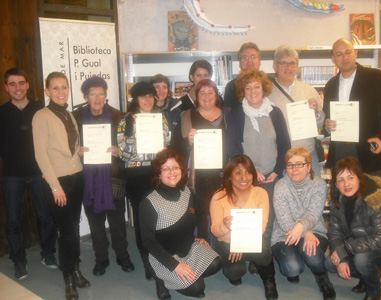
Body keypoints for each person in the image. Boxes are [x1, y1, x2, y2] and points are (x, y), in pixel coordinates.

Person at [226, 68, 290, 283]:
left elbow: (284, 145)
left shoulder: (275, 112)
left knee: (267, 222)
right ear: (242, 91)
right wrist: (252, 173)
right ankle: (251, 253)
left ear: (264, 88)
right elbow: (233, 147)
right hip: (247, 178)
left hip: (272, 177)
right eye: (248, 87)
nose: (252, 91)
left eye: (256, 86)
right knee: (248, 217)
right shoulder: (236, 114)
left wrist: (276, 171)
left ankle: (258, 257)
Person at [32, 72, 90, 300]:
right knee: (66, 232)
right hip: (59, 181)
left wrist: (79, 151)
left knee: (73, 227)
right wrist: (55, 187)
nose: (60, 92)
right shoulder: (41, 116)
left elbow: (67, 147)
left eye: (64, 87)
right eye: (55, 88)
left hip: (77, 176)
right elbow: (41, 155)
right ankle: (69, 277)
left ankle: (75, 268)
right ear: (47, 91)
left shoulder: (68, 114)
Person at [140, 149, 221, 300]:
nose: (171, 172)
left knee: (216, 263)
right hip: (163, 257)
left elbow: (201, 214)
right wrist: (175, 266)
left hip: (188, 249)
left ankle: (187, 277)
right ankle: (161, 281)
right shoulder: (149, 202)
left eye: (175, 167)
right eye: (165, 168)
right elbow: (148, 241)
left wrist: (202, 236)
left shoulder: (187, 192)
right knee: (197, 288)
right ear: (158, 173)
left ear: (181, 170)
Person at [73, 76, 134, 276]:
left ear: (106, 95)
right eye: (92, 94)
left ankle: (123, 256)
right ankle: (101, 259)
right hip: (88, 180)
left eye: (101, 94)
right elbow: (67, 146)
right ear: (85, 96)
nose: (97, 98)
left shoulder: (119, 116)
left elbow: (129, 145)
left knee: (117, 223)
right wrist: (77, 150)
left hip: (114, 177)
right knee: (96, 224)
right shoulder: (75, 117)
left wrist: (119, 150)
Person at [0, 68, 57, 280]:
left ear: (28, 85)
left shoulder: (40, 110)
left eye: (21, 83)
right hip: (12, 175)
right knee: (13, 220)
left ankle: (48, 253)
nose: (17, 88)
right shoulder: (2, 113)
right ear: (6, 88)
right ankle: (19, 260)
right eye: (12, 84)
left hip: (39, 173)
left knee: (46, 216)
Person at [325, 157, 381, 300]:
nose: (346, 184)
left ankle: (374, 293)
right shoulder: (337, 201)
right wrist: (342, 259)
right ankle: (367, 275)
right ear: (336, 184)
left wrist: (344, 250)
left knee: (362, 260)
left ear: (359, 179)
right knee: (330, 263)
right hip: (359, 244)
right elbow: (335, 232)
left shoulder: (375, 199)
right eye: (341, 180)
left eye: (350, 178)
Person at [323, 38, 381, 178]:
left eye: (348, 52)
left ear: (355, 53)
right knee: (343, 197)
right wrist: (327, 125)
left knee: (372, 198)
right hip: (341, 152)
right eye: (339, 54)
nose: (344, 57)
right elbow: (327, 119)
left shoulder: (376, 77)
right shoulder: (330, 85)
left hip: (370, 152)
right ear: (333, 58)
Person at [117, 81, 169, 280]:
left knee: (159, 218)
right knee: (142, 221)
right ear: (135, 99)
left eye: (150, 96)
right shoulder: (126, 121)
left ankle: (162, 257)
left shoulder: (160, 119)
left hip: (157, 175)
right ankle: (148, 261)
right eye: (143, 96)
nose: (147, 100)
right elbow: (123, 154)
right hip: (136, 177)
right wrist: (135, 129)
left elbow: (166, 143)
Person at [271, 147, 335, 300]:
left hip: (315, 230)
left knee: (310, 253)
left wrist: (303, 227)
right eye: (290, 165)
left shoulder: (319, 184)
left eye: (299, 164)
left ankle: (322, 278)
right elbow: (284, 220)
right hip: (283, 234)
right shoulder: (280, 186)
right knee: (292, 269)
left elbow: (314, 214)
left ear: (309, 166)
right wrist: (305, 231)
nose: (294, 169)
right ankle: (296, 260)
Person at [210, 155, 276, 300]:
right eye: (238, 173)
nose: (244, 177)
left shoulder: (260, 193)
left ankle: (269, 281)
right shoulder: (218, 197)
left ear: (253, 175)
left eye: (248, 172)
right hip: (227, 242)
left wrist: (240, 243)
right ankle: (242, 266)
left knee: (264, 254)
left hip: (252, 238)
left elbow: (262, 226)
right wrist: (224, 226)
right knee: (234, 272)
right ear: (229, 176)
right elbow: (215, 230)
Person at [170, 79, 229, 241]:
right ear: (196, 96)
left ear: (217, 95)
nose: (207, 96)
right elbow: (174, 148)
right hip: (198, 176)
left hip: (223, 174)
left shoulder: (228, 115)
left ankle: (222, 247)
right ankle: (204, 247)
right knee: (201, 213)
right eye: (202, 92)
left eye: (211, 92)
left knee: (223, 211)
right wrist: (187, 142)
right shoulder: (186, 116)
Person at [268, 45, 325, 176]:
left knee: (312, 193)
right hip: (280, 158)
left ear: (297, 66)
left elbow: (321, 124)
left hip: (307, 155)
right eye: (283, 63)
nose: (288, 68)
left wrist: (316, 113)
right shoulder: (267, 93)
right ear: (275, 66)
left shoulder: (310, 91)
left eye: (292, 63)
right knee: (284, 194)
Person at [224, 42, 261, 108]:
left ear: (260, 61)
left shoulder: (270, 84)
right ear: (239, 63)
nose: (249, 60)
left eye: (253, 57)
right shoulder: (231, 87)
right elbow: (229, 115)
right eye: (245, 57)